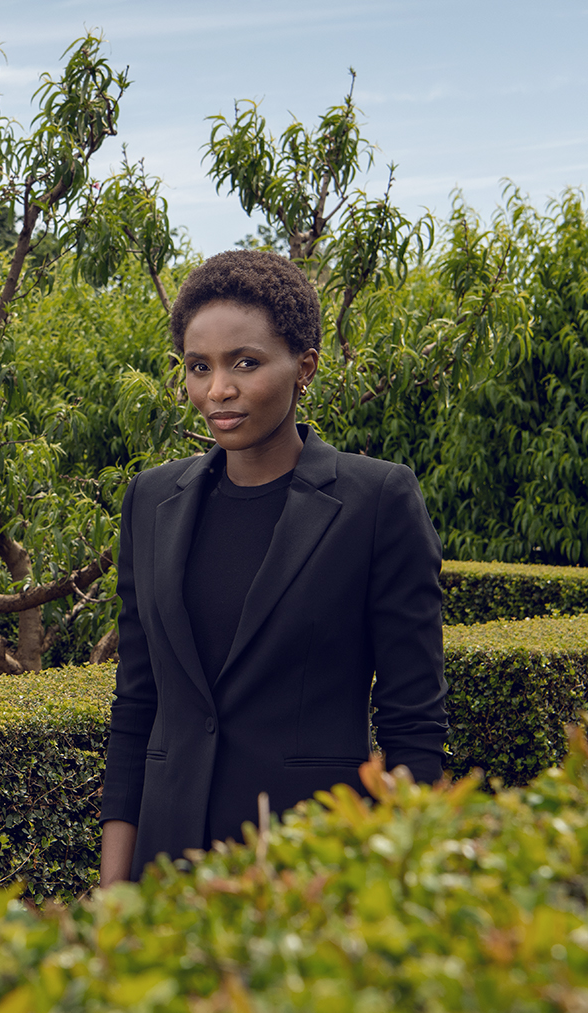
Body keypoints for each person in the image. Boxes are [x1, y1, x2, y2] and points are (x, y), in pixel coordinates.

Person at [98, 250, 447, 885]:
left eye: (246, 363)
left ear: (303, 368)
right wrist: (113, 897)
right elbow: (137, 707)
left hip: (312, 864)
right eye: (199, 367)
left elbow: (412, 722)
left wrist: (398, 885)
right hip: (168, 871)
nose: (218, 390)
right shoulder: (151, 501)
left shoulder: (377, 502)